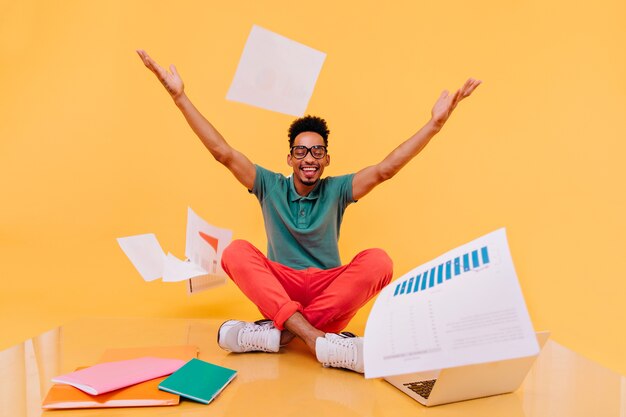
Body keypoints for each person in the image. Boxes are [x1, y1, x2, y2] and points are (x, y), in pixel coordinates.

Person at [137, 49, 481, 373]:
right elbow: (222, 152)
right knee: (236, 251)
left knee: (380, 260)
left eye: (317, 152)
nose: (309, 159)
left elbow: (385, 169)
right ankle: (320, 342)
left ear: (327, 159)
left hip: (328, 297)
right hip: (280, 291)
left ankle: (279, 335)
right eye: (301, 152)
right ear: (289, 159)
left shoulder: (338, 189)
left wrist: (434, 125)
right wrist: (179, 97)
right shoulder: (270, 185)